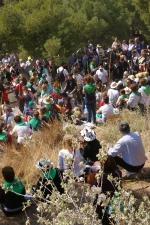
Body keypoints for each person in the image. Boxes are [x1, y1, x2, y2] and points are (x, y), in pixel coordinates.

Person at [93, 156, 122, 225]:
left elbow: (93, 187)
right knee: (113, 221)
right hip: (114, 204)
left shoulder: (101, 179)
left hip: (102, 207)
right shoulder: (118, 173)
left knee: (103, 222)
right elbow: (116, 169)